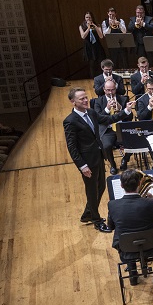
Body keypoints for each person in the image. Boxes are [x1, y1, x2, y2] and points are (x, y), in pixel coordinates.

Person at [105, 168, 153, 284]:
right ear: (140, 183)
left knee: (122, 233)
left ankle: (133, 273)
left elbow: (110, 227)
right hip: (152, 245)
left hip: (127, 248)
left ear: (121, 185)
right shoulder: (150, 203)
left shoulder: (113, 205)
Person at [62, 87, 110, 232]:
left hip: (98, 156)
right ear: (73, 102)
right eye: (81, 99)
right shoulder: (70, 121)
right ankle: (96, 220)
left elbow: (107, 119)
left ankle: (87, 214)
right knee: (91, 191)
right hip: (87, 161)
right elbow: (72, 147)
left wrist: (125, 111)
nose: (85, 100)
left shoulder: (91, 112)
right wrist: (82, 166)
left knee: (101, 186)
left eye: (85, 97)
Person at [91, 78, 135, 174]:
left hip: (122, 128)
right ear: (104, 89)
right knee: (106, 146)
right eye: (108, 90)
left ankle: (125, 159)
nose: (111, 92)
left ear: (116, 89)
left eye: (113, 89)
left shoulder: (123, 99)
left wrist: (120, 109)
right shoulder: (98, 101)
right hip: (108, 129)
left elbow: (130, 117)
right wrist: (107, 108)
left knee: (135, 141)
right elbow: (98, 119)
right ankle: (112, 164)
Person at [79, 11, 105, 77]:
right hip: (88, 47)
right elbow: (83, 36)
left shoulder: (97, 25)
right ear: (84, 18)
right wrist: (88, 28)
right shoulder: (82, 26)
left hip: (97, 46)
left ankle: (101, 78)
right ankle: (92, 80)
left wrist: (94, 26)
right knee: (91, 65)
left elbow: (101, 36)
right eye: (87, 17)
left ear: (92, 18)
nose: (88, 19)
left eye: (90, 17)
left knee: (100, 63)